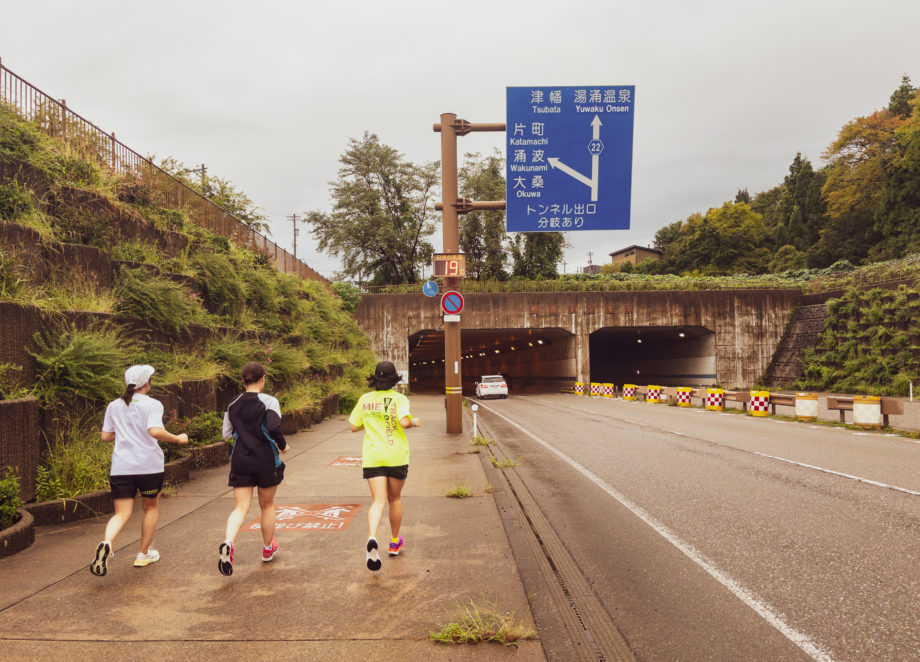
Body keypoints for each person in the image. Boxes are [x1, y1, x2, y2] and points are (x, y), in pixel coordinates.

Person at [90, 365, 189, 576]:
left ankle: (107, 542)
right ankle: (143, 554)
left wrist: (126, 431)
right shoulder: (152, 404)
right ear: (147, 383)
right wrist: (177, 438)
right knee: (150, 508)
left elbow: (105, 436)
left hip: (121, 467)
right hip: (148, 467)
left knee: (122, 513)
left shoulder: (114, 405)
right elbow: (154, 431)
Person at [218, 362, 289, 576]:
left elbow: (226, 434)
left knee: (240, 508)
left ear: (242, 381)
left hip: (240, 461)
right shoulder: (269, 401)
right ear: (263, 379)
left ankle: (228, 543)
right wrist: (283, 445)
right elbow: (274, 426)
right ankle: (268, 549)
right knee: (266, 505)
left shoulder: (233, 404)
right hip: (266, 460)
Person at [348, 361, 419, 572]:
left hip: (373, 457)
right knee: (394, 499)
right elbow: (404, 422)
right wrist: (415, 422)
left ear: (374, 380)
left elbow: (353, 426)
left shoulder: (365, 399)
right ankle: (395, 542)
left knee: (377, 501)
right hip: (396, 456)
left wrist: (369, 423)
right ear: (394, 380)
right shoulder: (399, 399)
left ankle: (371, 537)